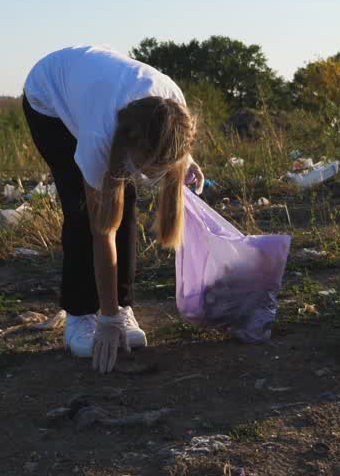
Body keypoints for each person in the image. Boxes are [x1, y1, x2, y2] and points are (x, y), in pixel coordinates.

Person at [22, 45, 204, 373]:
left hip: (100, 91)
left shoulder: (173, 107)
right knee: (86, 212)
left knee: (127, 204)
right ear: (130, 145)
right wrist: (105, 320)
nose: (153, 177)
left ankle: (123, 304)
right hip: (49, 100)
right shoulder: (99, 134)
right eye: (148, 167)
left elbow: (172, 144)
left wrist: (184, 161)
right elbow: (102, 231)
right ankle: (81, 314)